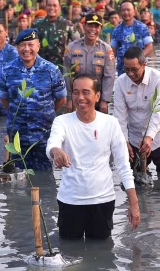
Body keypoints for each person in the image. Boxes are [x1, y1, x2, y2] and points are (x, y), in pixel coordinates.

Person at [46, 75, 140, 239]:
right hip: (70, 201)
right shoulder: (62, 121)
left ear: (97, 96)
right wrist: (56, 151)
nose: (80, 97)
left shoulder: (110, 123)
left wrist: (134, 203)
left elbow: (123, 165)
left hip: (102, 201)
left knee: (102, 254)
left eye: (86, 92)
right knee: (69, 252)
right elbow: (52, 145)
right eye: (75, 93)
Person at [0, 28, 67, 171]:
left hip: (44, 135)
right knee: (18, 179)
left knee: (46, 178)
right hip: (18, 136)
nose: (26, 49)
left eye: (31, 45)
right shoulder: (7, 70)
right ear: (17, 47)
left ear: (38, 46)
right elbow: (4, 100)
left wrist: (45, 112)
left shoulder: (51, 70)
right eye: (22, 45)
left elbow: (61, 99)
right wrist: (20, 113)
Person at [114, 47, 160, 172]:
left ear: (144, 65)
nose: (130, 74)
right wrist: (124, 141)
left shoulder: (158, 78)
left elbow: (159, 110)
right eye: (127, 69)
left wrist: (149, 137)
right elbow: (120, 115)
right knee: (134, 177)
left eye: (134, 69)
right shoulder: (120, 82)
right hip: (134, 139)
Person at [63, 14, 116, 113]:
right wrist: (69, 98)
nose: (93, 29)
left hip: (97, 99)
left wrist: (105, 100)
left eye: (96, 27)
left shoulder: (106, 49)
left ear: (100, 29)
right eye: (90, 26)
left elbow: (109, 76)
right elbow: (66, 74)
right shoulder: (72, 47)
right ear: (84, 26)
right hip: (78, 98)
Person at [111, 0, 154, 76]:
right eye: (123, 10)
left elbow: (149, 46)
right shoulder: (116, 30)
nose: (126, 12)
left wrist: (139, 57)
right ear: (120, 13)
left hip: (139, 68)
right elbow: (113, 50)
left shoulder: (142, 27)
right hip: (122, 69)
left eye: (128, 10)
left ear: (134, 11)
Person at [32, 0, 75, 71]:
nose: (52, 8)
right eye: (49, 5)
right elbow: (31, 44)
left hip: (62, 67)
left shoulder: (67, 24)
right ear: (45, 7)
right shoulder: (37, 25)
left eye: (54, 6)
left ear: (59, 8)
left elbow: (77, 42)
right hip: (42, 67)